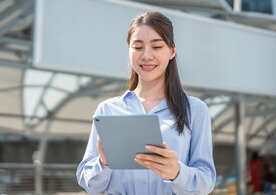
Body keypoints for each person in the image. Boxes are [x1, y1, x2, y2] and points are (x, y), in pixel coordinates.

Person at [76, 12, 216, 194]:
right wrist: (104, 162)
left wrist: (177, 173)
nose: (147, 55)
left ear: (172, 51)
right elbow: (90, 185)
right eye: (138, 47)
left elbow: (206, 181)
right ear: (129, 50)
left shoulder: (195, 110)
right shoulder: (108, 109)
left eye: (157, 46)